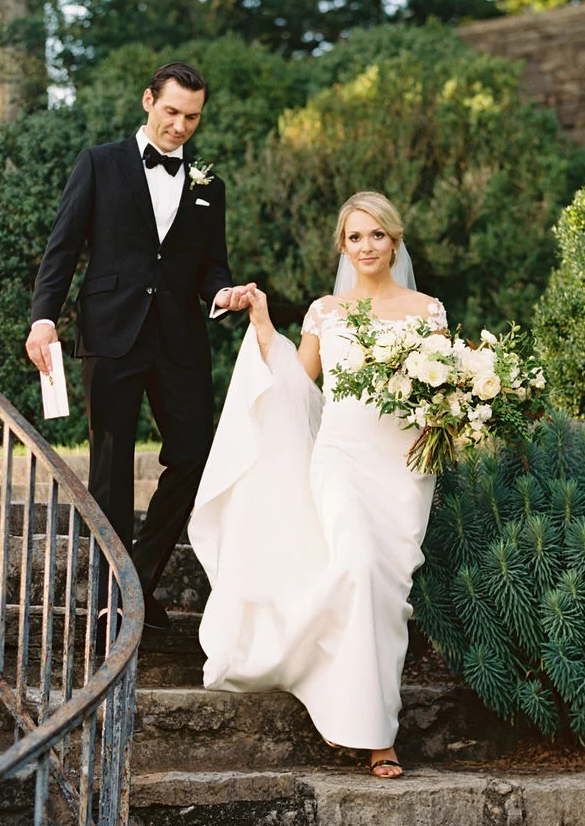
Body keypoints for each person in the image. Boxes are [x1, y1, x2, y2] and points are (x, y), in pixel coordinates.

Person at [190, 191, 447, 778]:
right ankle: (376, 735)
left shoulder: (426, 310)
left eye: (377, 235)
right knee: (355, 561)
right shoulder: (325, 312)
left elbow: (438, 389)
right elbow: (295, 388)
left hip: (403, 466)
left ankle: (358, 704)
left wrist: (450, 414)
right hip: (339, 457)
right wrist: (262, 328)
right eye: (355, 237)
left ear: (395, 240)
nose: (366, 246)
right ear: (342, 245)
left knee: (384, 587)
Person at [26, 61, 253, 632]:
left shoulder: (209, 186)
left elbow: (211, 265)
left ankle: (137, 580)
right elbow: (63, 248)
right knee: (111, 465)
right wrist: (43, 319)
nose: (181, 126)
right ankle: (114, 600)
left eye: (193, 118)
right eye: (172, 111)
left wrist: (225, 292)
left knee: (195, 457)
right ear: (148, 100)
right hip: (111, 332)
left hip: (180, 339)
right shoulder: (100, 164)